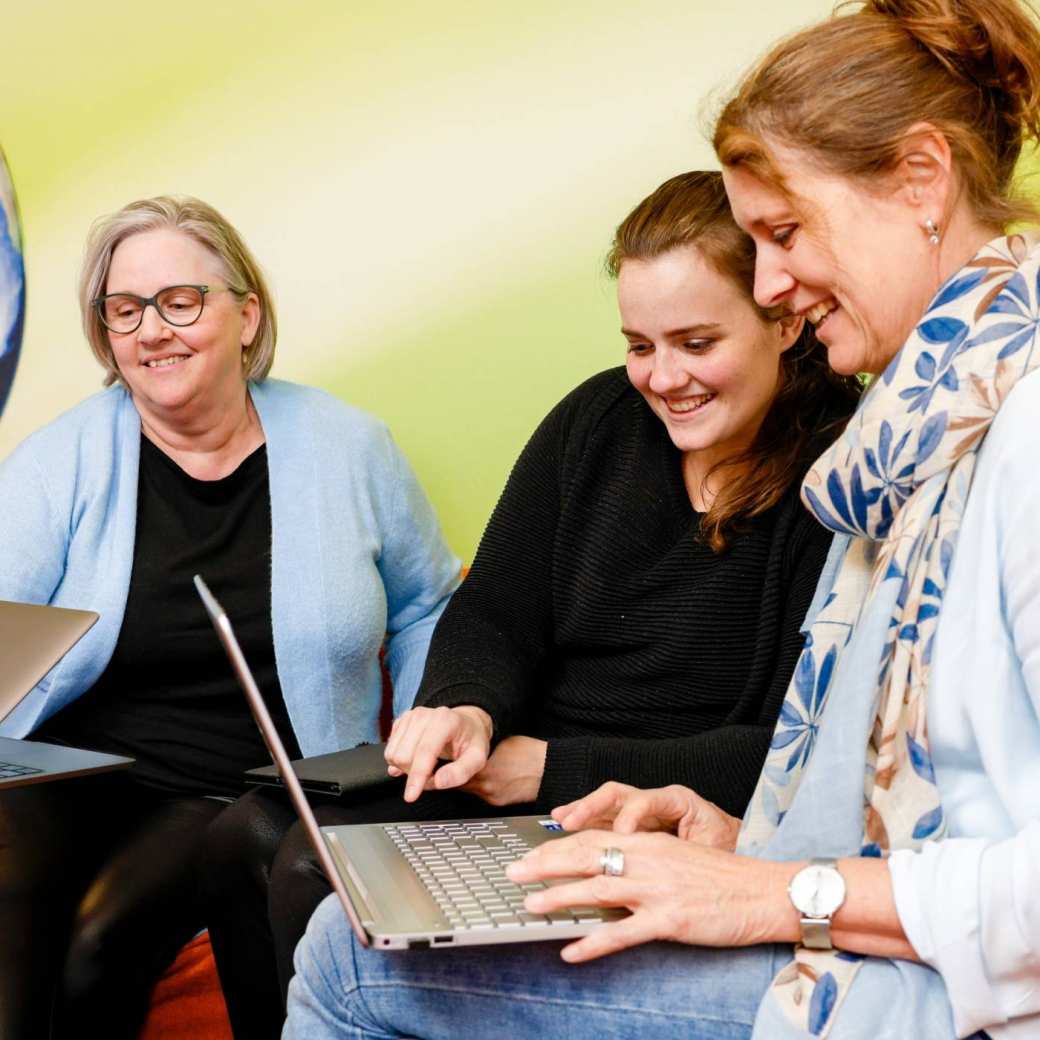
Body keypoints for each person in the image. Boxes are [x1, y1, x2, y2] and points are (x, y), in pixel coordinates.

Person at [283, 1, 1040, 1038]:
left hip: (923, 993)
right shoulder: (921, 442)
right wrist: (729, 837)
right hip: (869, 941)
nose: (773, 281)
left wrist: (775, 892)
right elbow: (496, 608)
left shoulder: (1011, 438)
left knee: (347, 958)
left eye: (783, 232)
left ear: (919, 178)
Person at [204, 170, 860, 1037]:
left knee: (306, 871)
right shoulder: (596, 422)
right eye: (640, 345)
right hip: (514, 775)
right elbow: (494, 612)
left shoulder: (841, 478)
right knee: (246, 837)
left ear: (783, 319)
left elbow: (790, 751)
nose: (663, 378)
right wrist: (462, 707)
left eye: (697, 343)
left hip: (646, 808)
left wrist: (549, 769)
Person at [0, 195, 459, 1039]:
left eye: (180, 302)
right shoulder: (59, 460)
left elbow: (429, 602)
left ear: (246, 315)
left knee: (100, 944)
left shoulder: (349, 447)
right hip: (72, 771)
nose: (151, 330)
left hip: (219, 790)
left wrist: (428, 731)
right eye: (125, 309)